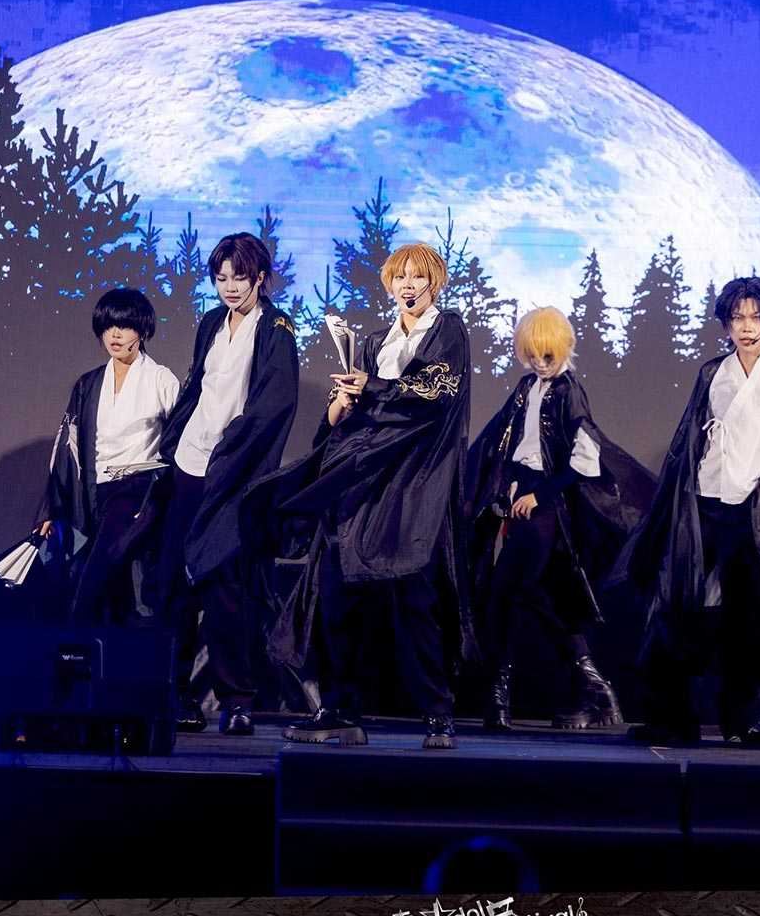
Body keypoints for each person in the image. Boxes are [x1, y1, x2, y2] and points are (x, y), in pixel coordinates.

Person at [248, 243, 475, 749]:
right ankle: (339, 708)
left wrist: (370, 386)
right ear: (389, 284)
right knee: (336, 592)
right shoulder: (374, 342)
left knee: (414, 598)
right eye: (400, 277)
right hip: (360, 477)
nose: (409, 286)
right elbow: (344, 416)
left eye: (419, 277)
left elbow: (433, 394)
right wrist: (343, 403)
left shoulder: (448, 330)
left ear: (435, 282)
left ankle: (438, 713)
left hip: (412, 480)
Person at [613, 277, 760, 745]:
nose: (747, 327)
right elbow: (688, 439)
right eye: (738, 318)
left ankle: (743, 719)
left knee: (751, 617)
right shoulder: (712, 372)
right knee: (681, 608)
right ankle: (673, 718)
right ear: (726, 324)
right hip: (705, 501)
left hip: (757, 510)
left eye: (756, 317)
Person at [465, 306, 654, 731]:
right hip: (523, 498)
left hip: (549, 506)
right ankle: (594, 691)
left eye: (546, 355)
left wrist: (539, 494)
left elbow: (584, 460)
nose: (539, 362)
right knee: (538, 596)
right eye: (532, 354)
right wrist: (508, 488)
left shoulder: (569, 391)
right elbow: (508, 444)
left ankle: (503, 697)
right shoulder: (526, 387)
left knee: (508, 592)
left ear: (563, 348)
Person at [155, 233, 299, 735]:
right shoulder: (212, 323)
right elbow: (198, 387)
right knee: (174, 584)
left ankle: (237, 700)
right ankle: (174, 694)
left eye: (240, 278)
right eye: (221, 278)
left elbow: (274, 405)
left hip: (233, 472)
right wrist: (176, 440)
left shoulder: (277, 329)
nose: (230, 287)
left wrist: (230, 454)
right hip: (189, 465)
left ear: (260, 278)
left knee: (224, 587)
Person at [38, 288, 179, 624]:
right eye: (108, 326)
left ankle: (73, 641)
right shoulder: (88, 384)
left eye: (125, 326)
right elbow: (67, 447)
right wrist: (50, 509)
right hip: (95, 491)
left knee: (94, 577)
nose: (115, 334)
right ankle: (105, 650)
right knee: (112, 590)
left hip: (139, 489)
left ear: (142, 330)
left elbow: (180, 440)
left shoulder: (161, 379)